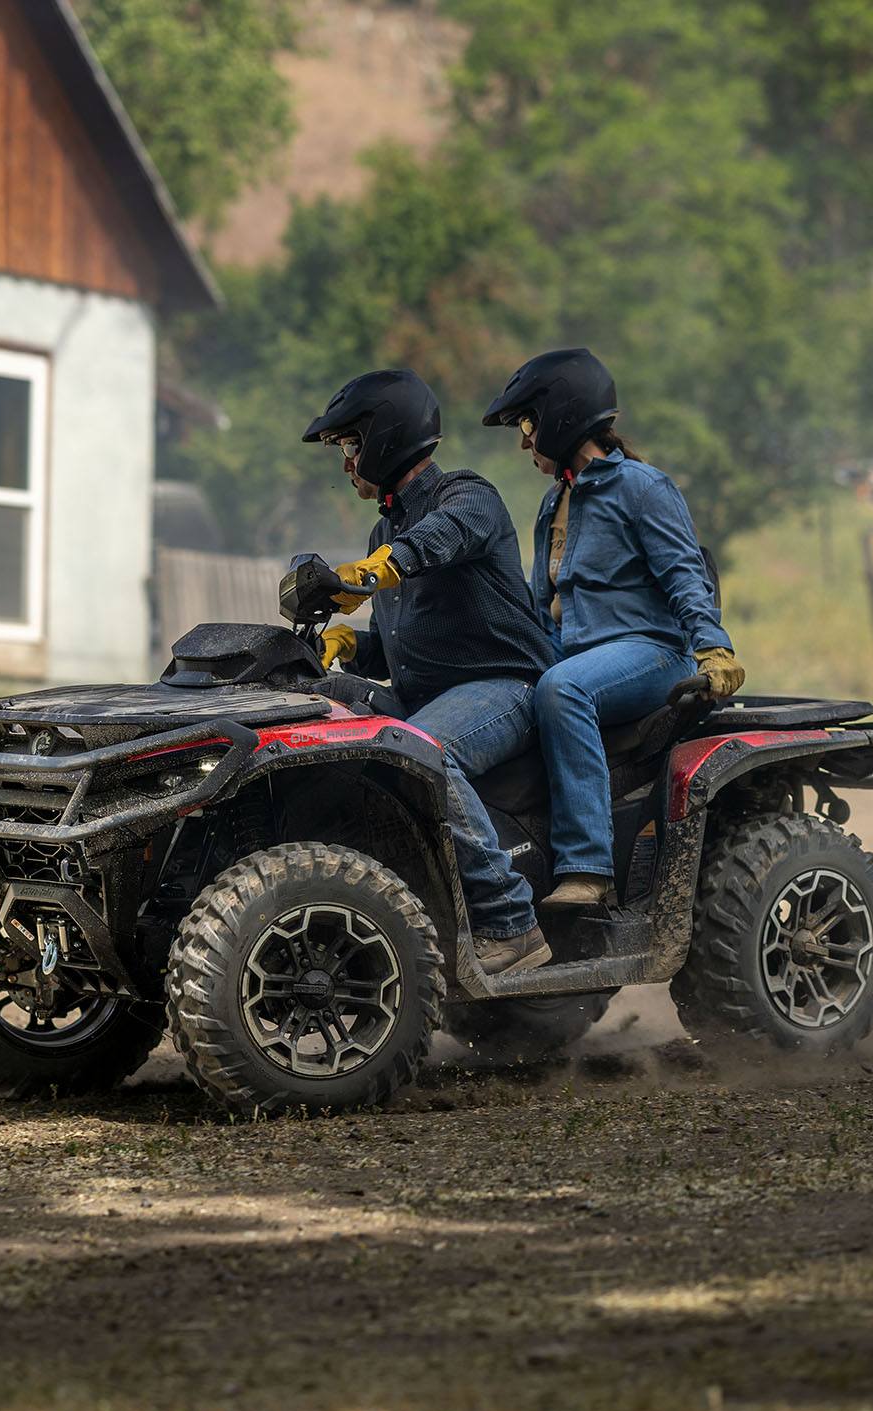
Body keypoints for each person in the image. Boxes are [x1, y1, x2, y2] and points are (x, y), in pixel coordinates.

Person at [300, 368, 558, 976]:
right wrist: (349, 648)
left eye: (350, 446)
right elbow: (405, 648)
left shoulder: (467, 497)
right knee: (322, 705)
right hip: (425, 695)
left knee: (425, 752)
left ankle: (510, 923)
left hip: (507, 687)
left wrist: (370, 573)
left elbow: (438, 541)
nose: (346, 463)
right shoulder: (385, 530)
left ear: (387, 437)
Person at [482, 348, 745, 908]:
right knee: (515, 690)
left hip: (651, 651)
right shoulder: (552, 503)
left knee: (563, 688)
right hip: (577, 656)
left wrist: (713, 648)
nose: (525, 441)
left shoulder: (642, 488)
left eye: (527, 424)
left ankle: (588, 869)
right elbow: (538, 606)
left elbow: (684, 576)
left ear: (561, 416)